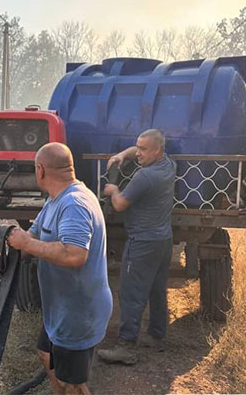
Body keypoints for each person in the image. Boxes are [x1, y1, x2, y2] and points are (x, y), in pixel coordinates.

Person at [6, 142, 112, 395]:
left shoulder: (74, 204)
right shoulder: (56, 200)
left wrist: (28, 243)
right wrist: (13, 252)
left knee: (72, 383)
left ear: (40, 170)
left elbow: (74, 255)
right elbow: (31, 236)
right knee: (46, 352)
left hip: (78, 312)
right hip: (62, 310)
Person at [97, 129, 176, 366]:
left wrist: (113, 191)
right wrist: (123, 154)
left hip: (143, 242)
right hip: (163, 240)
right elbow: (136, 151)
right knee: (156, 289)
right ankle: (156, 336)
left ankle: (126, 346)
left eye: (143, 149)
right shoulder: (169, 165)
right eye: (137, 147)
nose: (138, 153)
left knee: (131, 292)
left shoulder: (146, 177)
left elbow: (120, 204)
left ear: (157, 150)